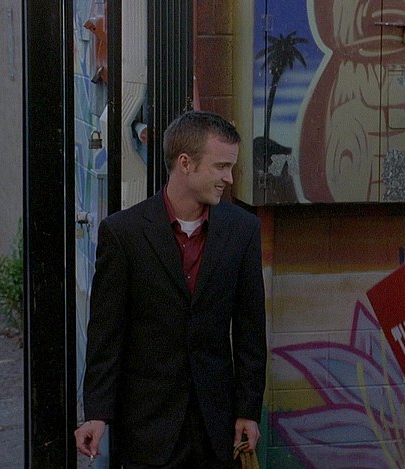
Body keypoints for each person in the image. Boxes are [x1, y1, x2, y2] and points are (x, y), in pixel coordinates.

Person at [74, 111, 267, 468]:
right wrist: (97, 413)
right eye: (221, 167)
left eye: (231, 167)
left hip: (216, 425)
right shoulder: (124, 233)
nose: (229, 178)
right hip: (147, 428)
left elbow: (250, 330)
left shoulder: (242, 230)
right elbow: (106, 333)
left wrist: (248, 410)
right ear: (185, 163)